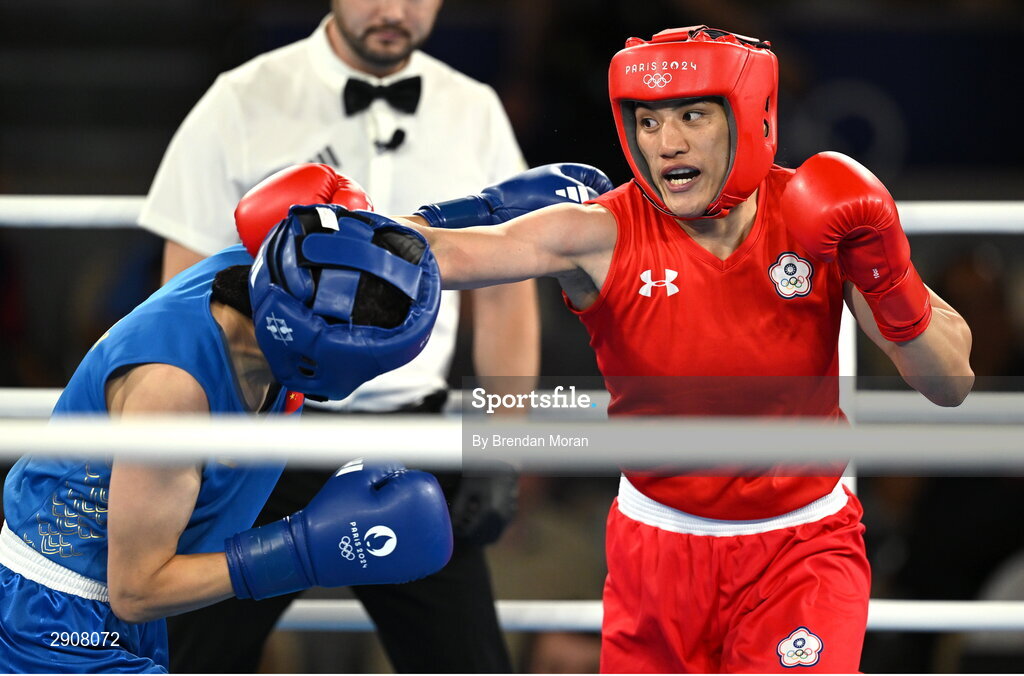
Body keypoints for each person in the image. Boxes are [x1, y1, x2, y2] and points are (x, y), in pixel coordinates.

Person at [248, 26, 975, 672]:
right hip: (655, 552)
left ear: (751, 120)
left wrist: (888, 273)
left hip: (800, 548)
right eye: (649, 119)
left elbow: (949, 383)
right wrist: (345, 226)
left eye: (692, 115)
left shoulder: (815, 219)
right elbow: (460, 253)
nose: (667, 142)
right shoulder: (602, 231)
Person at [137, 1, 538, 671]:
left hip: (414, 442)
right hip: (265, 439)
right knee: (195, 658)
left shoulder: (473, 110)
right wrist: (201, 448)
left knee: (468, 663)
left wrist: (502, 448)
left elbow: (507, 300)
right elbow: (182, 296)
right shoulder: (241, 101)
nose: (393, 10)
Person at [0, 200, 453, 673]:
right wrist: (302, 552)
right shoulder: (173, 393)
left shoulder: (279, 272)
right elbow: (136, 590)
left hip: (112, 612)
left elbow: (397, 260)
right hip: (54, 621)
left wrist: (494, 211)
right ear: (327, 354)